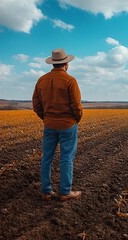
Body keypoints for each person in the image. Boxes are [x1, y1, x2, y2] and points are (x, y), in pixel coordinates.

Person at [32, 48, 83, 202]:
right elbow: (76, 105)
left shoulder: (41, 80)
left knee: (46, 158)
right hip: (68, 125)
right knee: (67, 158)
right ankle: (65, 192)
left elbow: (36, 104)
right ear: (66, 63)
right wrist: (76, 119)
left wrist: (46, 118)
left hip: (49, 125)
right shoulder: (70, 81)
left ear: (53, 63)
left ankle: (46, 192)